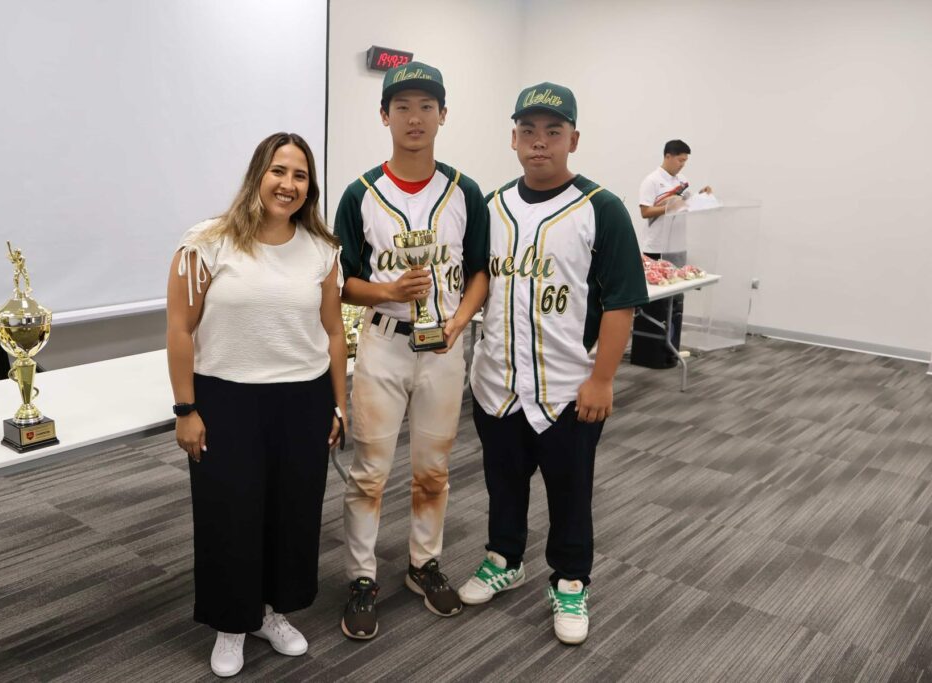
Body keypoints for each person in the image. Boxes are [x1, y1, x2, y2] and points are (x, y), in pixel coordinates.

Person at [460, 83, 648, 645]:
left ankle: (570, 579)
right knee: (502, 484)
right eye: (529, 131)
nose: (539, 142)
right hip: (496, 382)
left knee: (571, 492)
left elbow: (620, 302)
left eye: (553, 131)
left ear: (573, 139)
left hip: (569, 387)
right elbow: (477, 281)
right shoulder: (490, 207)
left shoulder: (602, 208)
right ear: (514, 137)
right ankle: (505, 558)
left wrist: (603, 378)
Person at [166, 132, 347, 677]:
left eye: (299, 175)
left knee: (291, 514)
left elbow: (334, 332)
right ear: (257, 176)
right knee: (230, 515)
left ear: (309, 186)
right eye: (278, 171)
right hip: (226, 400)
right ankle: (231, 621)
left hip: (303, 399)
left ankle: (270, 612)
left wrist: (338, 405)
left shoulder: (322, 250)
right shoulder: (207, 243)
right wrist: (185, 409)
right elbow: (179, 330)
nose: (288, 184)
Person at [333, 61, 490, 640]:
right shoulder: (360, 193)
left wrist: (459, 322)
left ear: (443, 115)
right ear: (384, 115)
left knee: (433, 470)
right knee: (370, 472)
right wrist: (388, 291)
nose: (415, 117)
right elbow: (343, 280)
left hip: (444, 346)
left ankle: (424, 565)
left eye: (427, 106)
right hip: (384, 342)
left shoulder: (463, 190)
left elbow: (479, 273)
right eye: (403, 107)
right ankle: (362, 576)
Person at [631, 139, 712, 368]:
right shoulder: (652, 181)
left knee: (675, 302)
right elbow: (645, 212)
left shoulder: (681, 181)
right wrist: (669, 207)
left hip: (677, 246)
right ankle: (652, 352)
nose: (682, 165)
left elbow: (685, 205)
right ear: (668, 156)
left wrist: (700, 196)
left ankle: (670, 347)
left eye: (685, 161)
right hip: (656, 247)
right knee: (656, 304)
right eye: (680, 160)